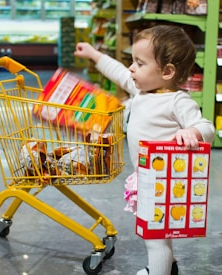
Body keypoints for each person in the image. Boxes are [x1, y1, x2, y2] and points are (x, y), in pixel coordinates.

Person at [74, 24, 215, 275]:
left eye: (139, 63)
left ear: (167, 71)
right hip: (148, 178)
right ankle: (168, 267)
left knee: (155, 237)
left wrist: (191, 132)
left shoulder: (176, 100)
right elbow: (118, 72)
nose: (131, 68)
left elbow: (205, 126)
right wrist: (95, 55)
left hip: (166, 182)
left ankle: (158, 271)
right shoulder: (142, 90)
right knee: (158, 232)